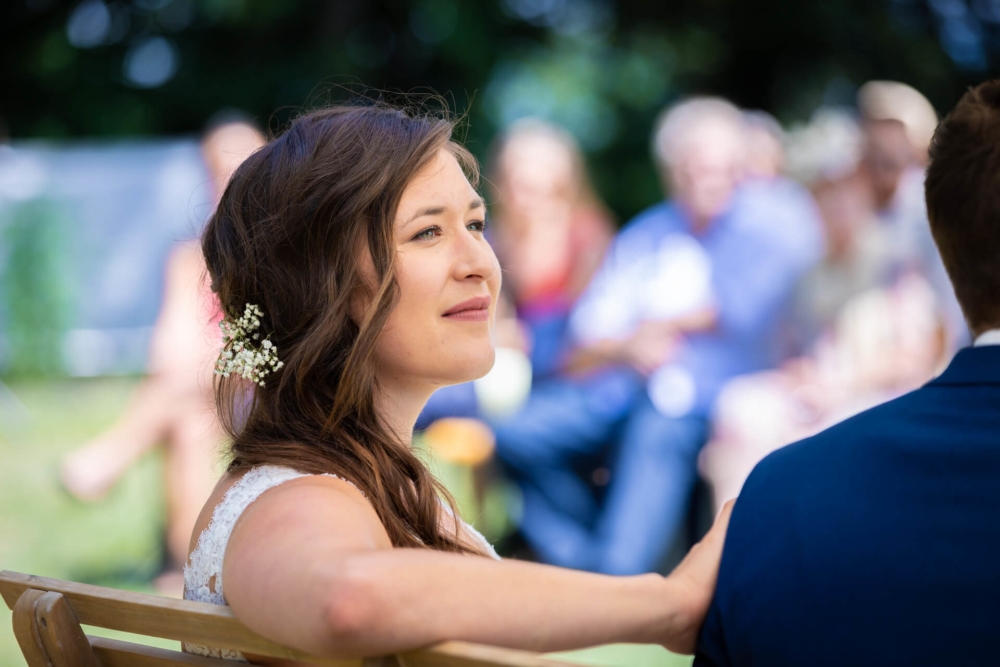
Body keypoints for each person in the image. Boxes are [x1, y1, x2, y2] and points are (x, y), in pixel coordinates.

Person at [182, 103, 734, 662]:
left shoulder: (371, 484)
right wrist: (668, 604)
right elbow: (348, 600)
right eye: (427, 233)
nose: (482, 264)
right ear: (323, 284)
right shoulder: (297, 495)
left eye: (475, 225)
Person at [696, 78, 1000, 666]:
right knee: (744, 414)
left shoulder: (896, 263)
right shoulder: (813, 274)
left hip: (874, 395)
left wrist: (838, 383)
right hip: (833, 405)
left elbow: (918, 350)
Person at [491, 97, 820, 575]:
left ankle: (610, 572)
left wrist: (656, 327)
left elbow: (743, 308)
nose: (707, 178)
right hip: (619, 387)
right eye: (693, 166)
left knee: (626, 553)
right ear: (671, 168)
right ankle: (579, 559)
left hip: (692, 403)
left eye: (720, 165)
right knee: (508, 433)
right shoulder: (646, 235)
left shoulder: (768, 224)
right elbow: (585, 336)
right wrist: (627, 346)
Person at [58, 118, 265, 595]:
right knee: (190, 421)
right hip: (201, 388)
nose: (227, 181)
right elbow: (169, 345)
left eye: (240, 167)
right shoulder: (191, 256)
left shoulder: (285, 247)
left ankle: (111, 461)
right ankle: (188, 565)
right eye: (218, 170)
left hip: (264, 386)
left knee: (187, 405)